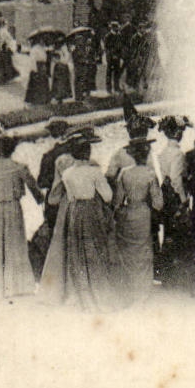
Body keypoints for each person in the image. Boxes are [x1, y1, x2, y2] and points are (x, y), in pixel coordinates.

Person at [41, 131, 123, 310]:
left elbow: (66, 196)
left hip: (74, 211)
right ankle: (99, 292)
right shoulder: (94, 171)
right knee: (95, 249)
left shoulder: (67, 173)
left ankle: (79, 293)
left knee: (76, 251)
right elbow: (108, 196)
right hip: (91, 211)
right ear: (88, 152)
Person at [0, 134, 42, 299]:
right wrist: (41, 199)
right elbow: (35, 190)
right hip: (13, 208)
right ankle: (17, 285)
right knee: (15, 243)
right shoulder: (19, 167)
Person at [112, 135, 164, 304]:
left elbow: (117, 200)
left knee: (129, 249)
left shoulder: (124, 173)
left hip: (128, 213)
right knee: (143, 249)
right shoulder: (150, 173)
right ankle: (144, 288)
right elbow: (158, 202)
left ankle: (130, 286)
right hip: (143, 213)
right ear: (146, 154)